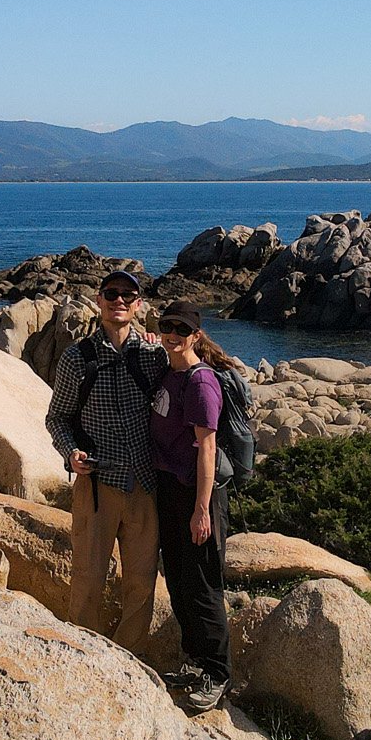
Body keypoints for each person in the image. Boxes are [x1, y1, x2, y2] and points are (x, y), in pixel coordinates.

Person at [44, 267, 167, 654]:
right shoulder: (76, 358)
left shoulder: (152, 355)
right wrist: (70, 453)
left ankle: (129, 657)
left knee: (141, 582)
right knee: (87, 580)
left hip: (145, 486)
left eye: (127, 297)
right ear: (98, 301)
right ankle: (83, 655)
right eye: (111, 293)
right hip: (98, 486)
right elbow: (57, 418)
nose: (119, 301)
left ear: (138, 305)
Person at [149, 298, 234, 712]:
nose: (173, 335)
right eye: (168, 327)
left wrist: (201, 509)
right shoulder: (171, 369)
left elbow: (208, 450)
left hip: (195, 493)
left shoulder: (201, 383)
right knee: (180, 583)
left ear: (196, 336)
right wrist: (156, 341)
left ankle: (218, 674)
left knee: (202, 587)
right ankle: (195, 662)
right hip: (169, 488)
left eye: (182, 330)